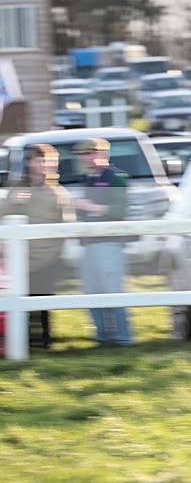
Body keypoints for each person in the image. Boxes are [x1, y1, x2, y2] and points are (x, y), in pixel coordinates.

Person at [0, 144, 74, 347]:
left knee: (44, 300)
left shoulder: (57, 192)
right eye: (40, 160)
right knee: (21, 301)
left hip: (48, 258)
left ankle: (45, 340)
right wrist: (11, 203)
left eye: (47, 161)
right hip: (20, 257)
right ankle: (23, 342)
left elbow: (66, 224)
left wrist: (57, 250)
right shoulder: (17, 187)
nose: (44, 165)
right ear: (29, 162)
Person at [72, 138, 134, 345]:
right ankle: (102, 335)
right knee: (91, 290)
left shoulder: (116, 178)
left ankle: (123, 337)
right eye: (83, 155)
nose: (86, 158)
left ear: (103, 154)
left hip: (109, 243)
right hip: (91, 242)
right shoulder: (91, 178)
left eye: (91, 153)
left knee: (112, 289)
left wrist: (90, 207)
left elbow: (120, 210)